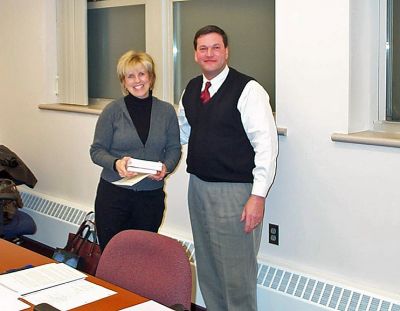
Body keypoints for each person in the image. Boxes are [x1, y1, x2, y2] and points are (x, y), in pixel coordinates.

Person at [178, 25, 278, 311]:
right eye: (203, 48)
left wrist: (257, 197)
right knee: (208, 267)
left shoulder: (249, 90)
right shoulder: (192, 89)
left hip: (235, 193)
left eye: (216, 47)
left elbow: (266, 147)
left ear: (226, 51)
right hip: (197, 188)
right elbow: (182, 132)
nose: (209, 53)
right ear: (195, 54)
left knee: (236, 275)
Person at [90, 50, 181, 251]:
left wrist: (167, 167)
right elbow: (96, 150)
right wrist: (116, 163)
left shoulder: (166, 112)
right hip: (114, 197)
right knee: (112, 254)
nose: (137, 80)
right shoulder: (112, 111)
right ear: (123, 82)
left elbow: (174, 148)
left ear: (151, 77)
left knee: (142, 256)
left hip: (150, 198)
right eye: (130, 76)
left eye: (142, 74)